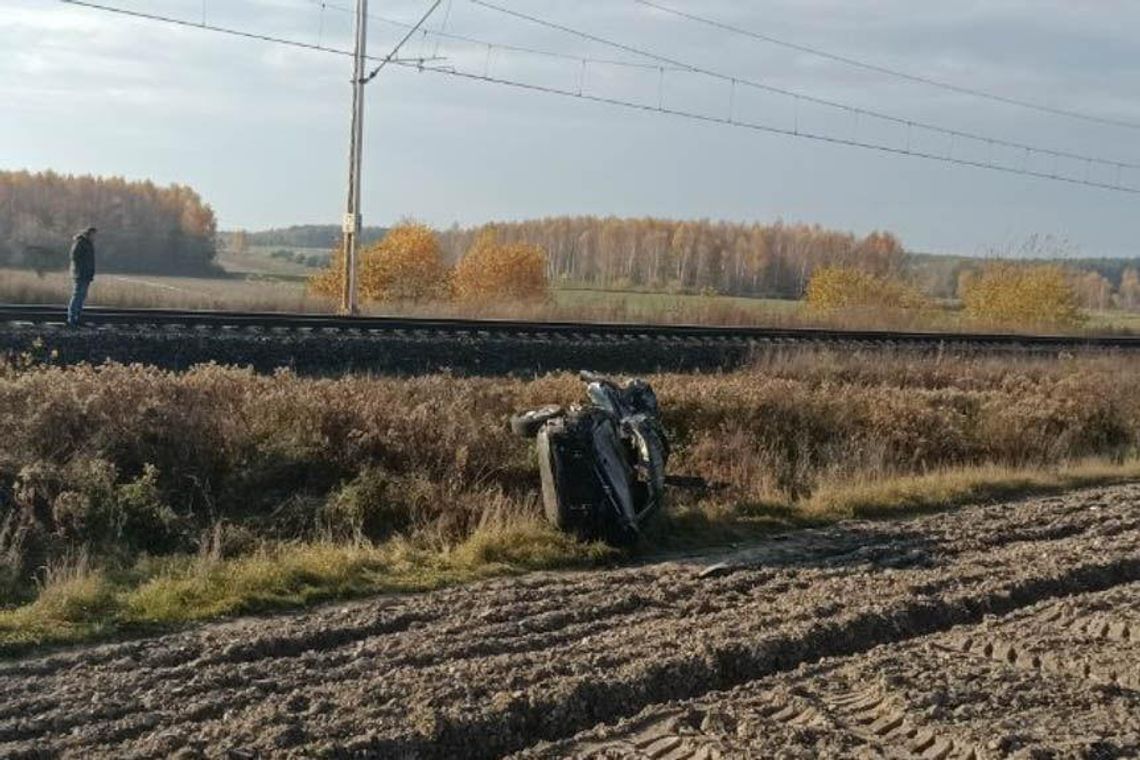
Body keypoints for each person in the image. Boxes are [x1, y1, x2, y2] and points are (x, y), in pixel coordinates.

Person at [67, 227, 97, 327]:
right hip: (80, 274)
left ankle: (77, 318)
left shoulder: (88, 243)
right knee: (77, 295)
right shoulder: (80, 242)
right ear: (88, 234)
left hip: (86, 274)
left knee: (81, 296)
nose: (94, 236)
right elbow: (74, 257)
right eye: (93, 234)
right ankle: (71, 318)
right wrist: (81, 269)